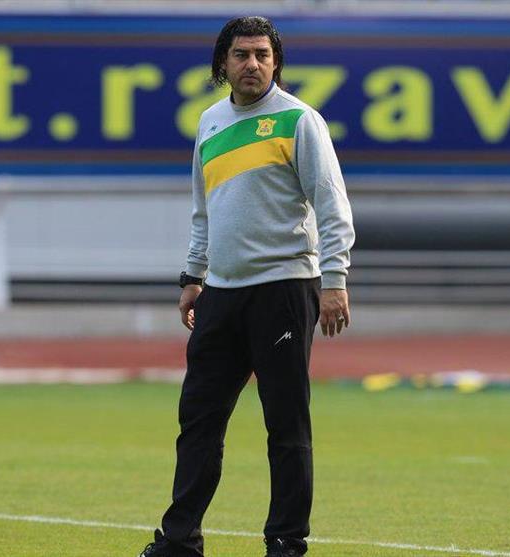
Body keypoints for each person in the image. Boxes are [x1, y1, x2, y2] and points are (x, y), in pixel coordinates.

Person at [138, 16, 355, 557]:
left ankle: (286, 542)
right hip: (221, 293)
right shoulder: (210, 122)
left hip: (284, 288)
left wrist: (335, 281)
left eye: (262, 54)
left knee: (285, 423)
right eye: (241, 55)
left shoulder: (300, 121)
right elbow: (203, 211)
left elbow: (332, 205)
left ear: (276, 63)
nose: (252, 64)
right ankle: (180, 541)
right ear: (223, 63)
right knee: (198, 420)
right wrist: (193, 276)